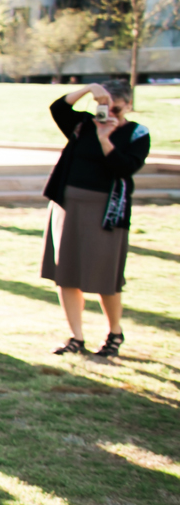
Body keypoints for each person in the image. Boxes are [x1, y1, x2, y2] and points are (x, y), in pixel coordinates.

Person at [42, 82, 150, 359]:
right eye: (104, 106)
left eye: (115, 107)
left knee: (104, 278)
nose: (109, 112)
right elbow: (58, 107)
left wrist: (105, 138)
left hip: (107, 212)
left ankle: (114, 332)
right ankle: (76, 337)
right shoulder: (82, 124)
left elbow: (126, 167)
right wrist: (90, 89)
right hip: (68, 206)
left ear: (128, 105)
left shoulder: (137, 133)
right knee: (66, 275)